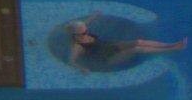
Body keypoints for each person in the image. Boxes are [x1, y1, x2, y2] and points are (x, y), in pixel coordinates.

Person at [55, 17, 184, 70]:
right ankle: (173, 49)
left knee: (138, 41)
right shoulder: (77, 46)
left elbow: (86, 23)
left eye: (86, 30)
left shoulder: (81, 31)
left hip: (110, 46)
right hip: (107, 59)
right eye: (83, 33)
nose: (86, 33)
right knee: (136, 48)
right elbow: (71, 61)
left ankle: (169, 44)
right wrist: (82, 69)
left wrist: (94, 16)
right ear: (75, 35)